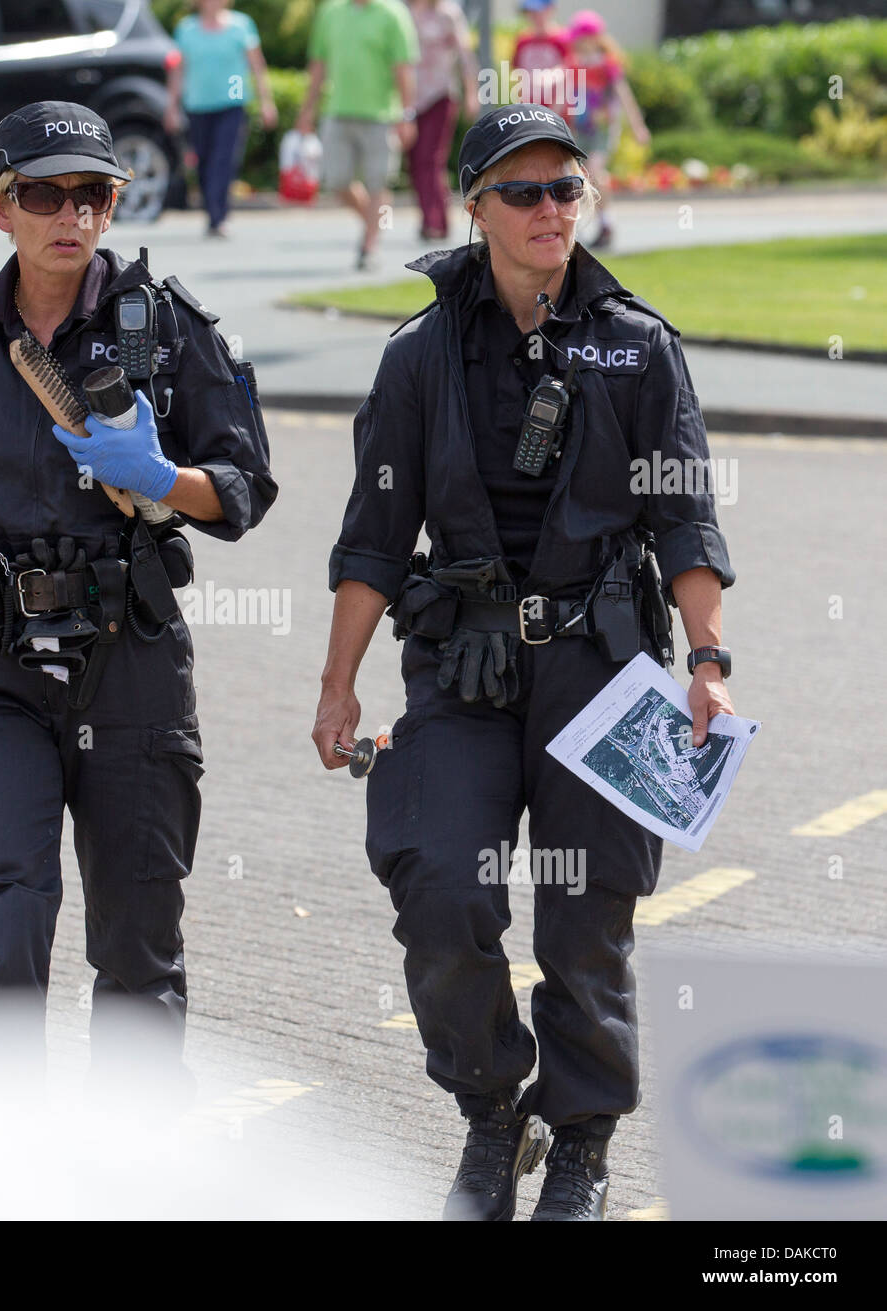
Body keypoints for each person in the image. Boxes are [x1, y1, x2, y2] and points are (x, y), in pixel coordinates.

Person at [313, 104, 737, 1220]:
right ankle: (493, 1115)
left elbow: (685, 523)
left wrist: (708, 659)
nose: (550, 210)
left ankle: (584, 1142)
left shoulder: (637, 347)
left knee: (586, 914)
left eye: (565, 189)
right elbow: (370, 537)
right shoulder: (418, 355)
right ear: (474, 207)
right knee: (441, 887)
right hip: (459, 668)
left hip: (599, 672)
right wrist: (335, 683)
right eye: (523, 192)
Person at [0, 101, 277, 1097]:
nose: (70, 214)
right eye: (43, 193)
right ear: (0, 207)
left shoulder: (166, 328)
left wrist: (160, 474)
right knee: (1, 924)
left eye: (90, 194)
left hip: (126, 661)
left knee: (138, 946)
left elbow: (243, 489)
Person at [296, 0, 419, 270]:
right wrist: (307, 110)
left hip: (381, 115)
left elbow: (403, 68)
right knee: (337, 180)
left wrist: (407, 114)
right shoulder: (330, 11)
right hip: (337, 111)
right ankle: (373, 222)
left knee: (378, 181)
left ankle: (369, 246)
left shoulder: (393, 13)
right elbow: (319, 64)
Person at [165, 0, 278, 238]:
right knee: (204, 160)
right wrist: (172, 106)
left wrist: (266, 102)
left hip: (232, 101)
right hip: (198, 103)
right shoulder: (186, 28)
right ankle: (212, 212)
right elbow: (178, 69)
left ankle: (219, 216)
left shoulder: (241, 25)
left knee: (224, 159)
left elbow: (257, 65)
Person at [564, 10, 650, 248]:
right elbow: (565, 96)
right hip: (580, 130)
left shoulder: (608, 65)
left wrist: (637, 126)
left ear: (593, 38)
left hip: (602, 130)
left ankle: (607, 222)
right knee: (577, 175)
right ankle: (579, 224)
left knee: (594, 170)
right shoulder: (574, 65)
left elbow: (624, 95)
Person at [404, 0, 481, 242]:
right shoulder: (402, 11)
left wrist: (471, 92)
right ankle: (428, 217)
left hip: (440, 94)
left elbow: (464, 55)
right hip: (408, 97)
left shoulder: (447, 13)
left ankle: (436, 222)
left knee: (431, 157)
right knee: (415, 161)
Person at [511, 0, 569, 109]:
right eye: (530, 12)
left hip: (556, 109)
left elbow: (570, 70)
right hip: (530, 108)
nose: (534, 16)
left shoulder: (562, 39)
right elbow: (518, 72)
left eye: (538, 11)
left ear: (550, 10)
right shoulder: (523, 41)